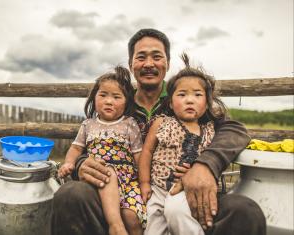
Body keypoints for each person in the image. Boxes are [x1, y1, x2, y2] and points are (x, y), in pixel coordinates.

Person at [51, 28, 266, 235]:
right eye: (141, 57)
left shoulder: (184, 96)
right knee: (72, 195)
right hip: (120, 192)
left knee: (244, 211)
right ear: (131, 64)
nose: (149, 64)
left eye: (157, 56)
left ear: (167, 63)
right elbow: (92, 137)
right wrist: (80, 164)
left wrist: (206, 165)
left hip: (181, 191)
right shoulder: (118, 100)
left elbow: (234, 129)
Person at [139, 52, 226, 235]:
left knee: (178, 215)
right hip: (158, 187)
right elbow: (147, 152)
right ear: (170, 103)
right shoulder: (162, 123)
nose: (189, 99)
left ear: (207, 103)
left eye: (197, 95)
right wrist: (145, 182)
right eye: (182, 94)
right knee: (152, 229)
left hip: (185, 189)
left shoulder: (209, 129)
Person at [58, 65, 146, 235]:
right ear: (94, 97)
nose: (108, 101)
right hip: (98, 176)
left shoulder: (129, 124)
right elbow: (76, 148)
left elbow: (138, 155)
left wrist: (144, 182)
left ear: (126, 101)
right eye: (103, 95)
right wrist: (69, 163)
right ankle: (116, 227)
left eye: (116, 97)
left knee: (132, 217)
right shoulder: (88, 124)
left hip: (128, 182)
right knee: (108, 173)